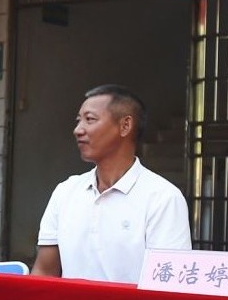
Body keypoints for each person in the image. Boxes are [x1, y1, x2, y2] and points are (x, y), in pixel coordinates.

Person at [31, 84, 191, 282]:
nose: (78, 130)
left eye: (90, 119)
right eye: (78, 120)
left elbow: (169, 284)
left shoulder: (163, 198)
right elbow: (44, 272)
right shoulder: (65, 192)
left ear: (125, 126)